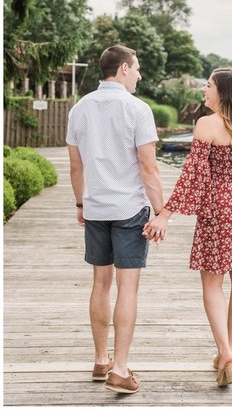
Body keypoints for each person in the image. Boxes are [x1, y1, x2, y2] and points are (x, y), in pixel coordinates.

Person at [144, 68, 232, 387]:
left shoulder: (207, 124)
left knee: (213, 284)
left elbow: (194, 176)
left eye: (209, 85)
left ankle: (225, 352)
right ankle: (225, 352)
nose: (204, 89)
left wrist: (165, 214)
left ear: (223, 92)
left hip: (221, 206)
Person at [67, 44, 163, 396]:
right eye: (136, 68)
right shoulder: (138, 109)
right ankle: (120, 369)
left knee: (100, 283)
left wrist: (80, 203)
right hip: (129, 209)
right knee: (127, 287)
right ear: (122, 68)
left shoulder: (79, 109)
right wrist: (161, 210)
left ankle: (99, 359)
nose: (139, 74)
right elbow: (148, 166)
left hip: (94, 208)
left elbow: (76, 166)